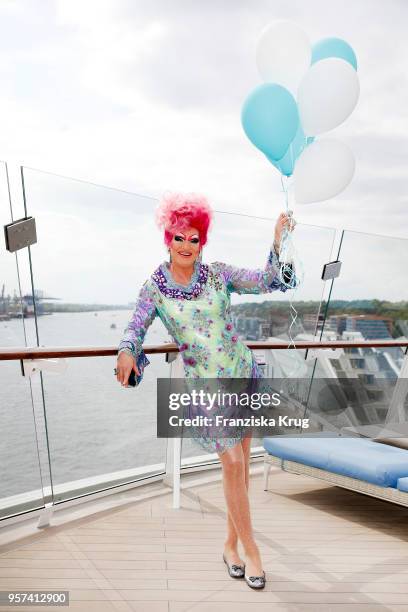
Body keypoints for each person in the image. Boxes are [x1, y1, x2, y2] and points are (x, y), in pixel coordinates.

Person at [116, 191, 296, 589]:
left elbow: (264, 280)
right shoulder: (155, 287)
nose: (185, 245)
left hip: (241, 374)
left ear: (203, 241)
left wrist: (278, 240)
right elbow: (135, 326)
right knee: (232, 464)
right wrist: (127, 350)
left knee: (241, 468)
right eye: (178, 237)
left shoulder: (218, 274)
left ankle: (230, 545)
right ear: (168, 238)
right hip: (206, 392)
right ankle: (254, 552)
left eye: (193, 238)